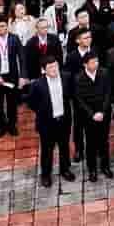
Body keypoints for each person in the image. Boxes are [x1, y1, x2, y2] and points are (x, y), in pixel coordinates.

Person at [28, 57, 76, 187]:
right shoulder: (37, 84)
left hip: (63, 120)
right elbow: (31, 101)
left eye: (56, 66)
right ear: (43, 70)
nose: (54, 69)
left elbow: (71, 95)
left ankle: (65, 169)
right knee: (47, 150)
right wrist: (41, 111)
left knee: (64, 147)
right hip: (47, 124)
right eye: (50, 67)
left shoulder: (66, 77)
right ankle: (46, 174)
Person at [73, 50, 114, 180]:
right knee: (90, 143)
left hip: (103, 114)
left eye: (97, 61)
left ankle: (105, 166)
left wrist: (102, 111)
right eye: (92, 62)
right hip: (88, 117)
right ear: (85, 64)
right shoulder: (79, 78)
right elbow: (79, 100)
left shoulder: (105, 73)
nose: (96, 64)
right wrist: (92, 114)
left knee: (104, 141)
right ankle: (92, 170)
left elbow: (108, 93)